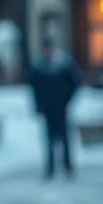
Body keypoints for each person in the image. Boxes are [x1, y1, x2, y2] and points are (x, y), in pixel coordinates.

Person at [30, 36, 82, 180]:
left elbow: (75, 83)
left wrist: (67, 99)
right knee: (49, 139)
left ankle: (67, 166)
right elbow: (34, 89)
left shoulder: (64, 65)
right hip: (48, 108)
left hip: (62, 107)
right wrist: (38, 106)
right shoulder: (39, 67)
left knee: (65, 138)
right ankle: (50, 167)